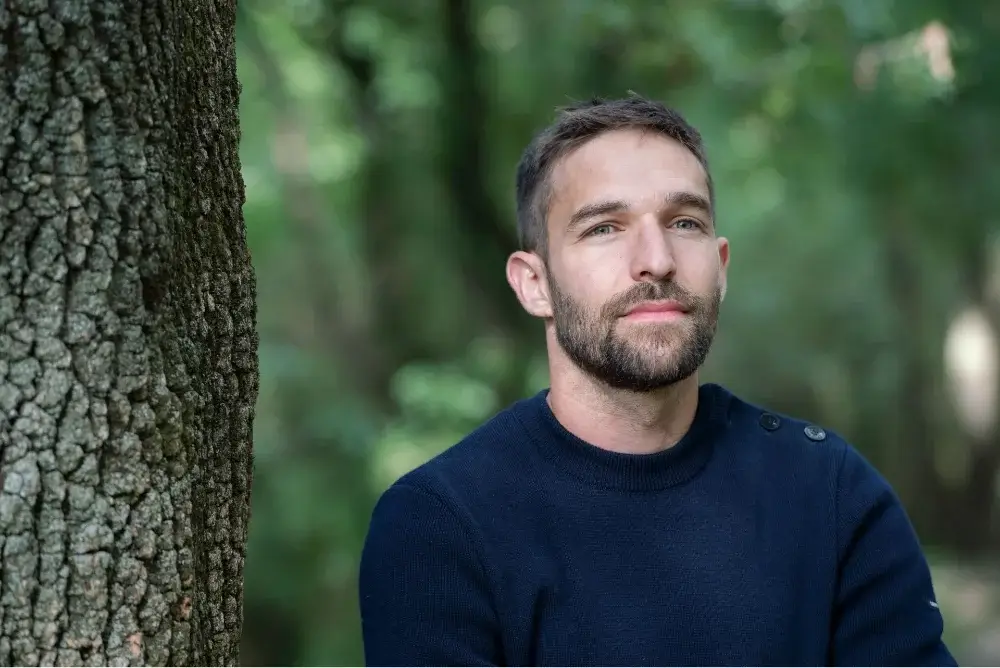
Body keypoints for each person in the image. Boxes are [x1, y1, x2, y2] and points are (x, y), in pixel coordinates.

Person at [357, 94, 958, 667]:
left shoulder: (832, 495)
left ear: (720, 269)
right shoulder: (439, 528)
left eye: (685, 222)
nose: (657, 258)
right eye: (604, 228)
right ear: (534, 284)